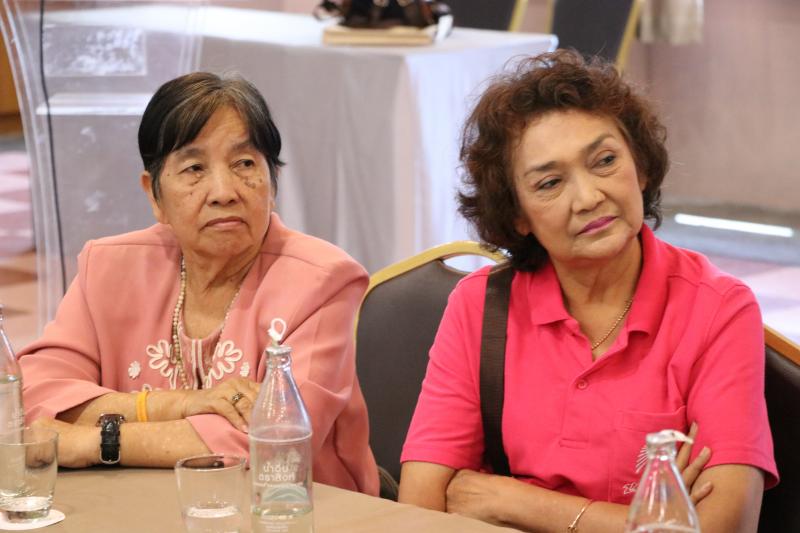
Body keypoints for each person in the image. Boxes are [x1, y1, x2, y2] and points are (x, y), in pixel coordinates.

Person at [398, 50, 778, 531]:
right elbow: (420, 505)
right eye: (550, 183)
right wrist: (647, 518)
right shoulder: (480, 306)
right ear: (517, 215)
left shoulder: (718, 309)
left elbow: (722, 526)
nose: (589, 197)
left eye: (605, 161)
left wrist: (511, 500)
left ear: (641, 166)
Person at [19, 72, 378, 495]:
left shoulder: (322, 281)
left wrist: (98, 441)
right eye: (194, 168)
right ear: (154, 195)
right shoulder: (109, 267)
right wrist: (181, 403)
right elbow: (38, 396)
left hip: (290, 512)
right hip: (134, 507)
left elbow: (275, 439)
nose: (224, 191)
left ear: (273, 182)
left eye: (245, 164)